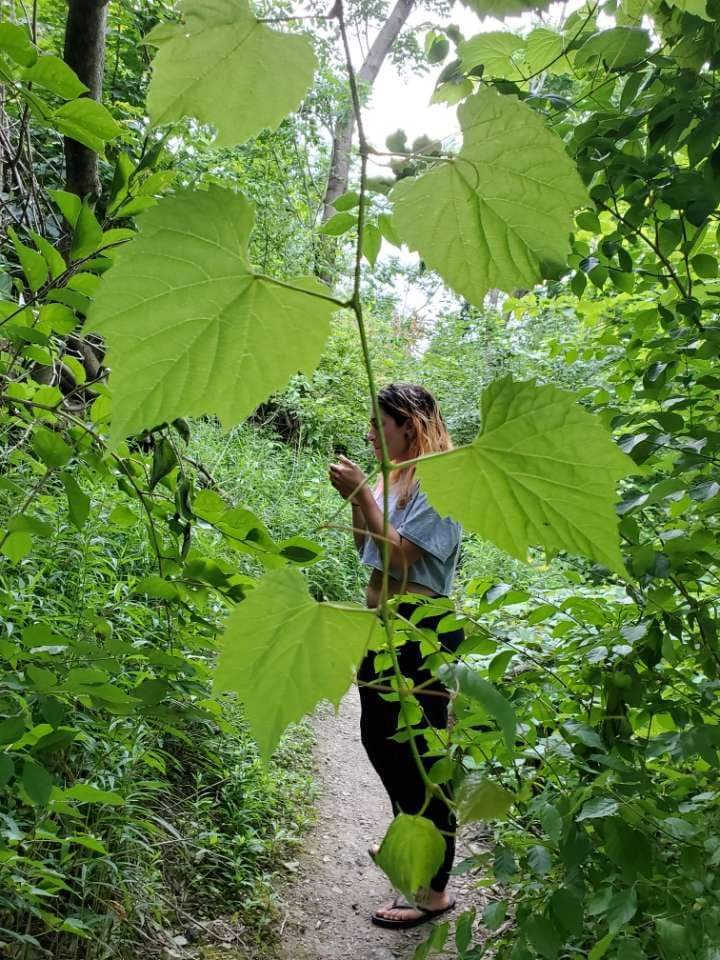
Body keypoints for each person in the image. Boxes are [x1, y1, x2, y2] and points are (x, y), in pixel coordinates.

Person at [328, 382, 464, 930]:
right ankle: (417, 850)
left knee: (417, 754)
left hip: (420, 631)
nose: (369, 432)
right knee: (381, 741)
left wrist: (363, 494)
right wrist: (359, 500)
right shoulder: (395, 478)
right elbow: (369, 549)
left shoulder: (443, 480)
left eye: (378, 423)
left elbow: (405, 558)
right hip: (385, 627)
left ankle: (433, 888)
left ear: (409, 424)